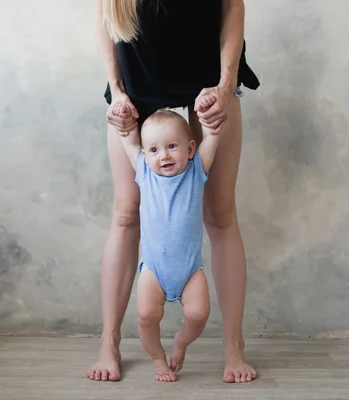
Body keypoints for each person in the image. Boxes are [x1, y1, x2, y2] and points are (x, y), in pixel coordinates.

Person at [87, 0, 260, 383]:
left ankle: (234, 348)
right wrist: (117, 91)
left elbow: (232, 5)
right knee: (126, 212)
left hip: (208, 75)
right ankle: (108, 343)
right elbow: (105, 12)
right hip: (137, 76)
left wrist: (226, 83)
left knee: (220, 213)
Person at [112, 95, 218, 382]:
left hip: (189, 268)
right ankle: (159, 360)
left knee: (198, 314)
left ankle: (181, 344)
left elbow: (212, 136)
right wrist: (124, 118)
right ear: (146, 155)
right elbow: (129, 140)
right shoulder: (145, 172)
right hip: (154, 269)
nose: (165, 156)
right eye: (155, 150)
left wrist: (211, 120)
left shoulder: (196, 171)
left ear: (190, 148)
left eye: (172, 147)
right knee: (146, 316)